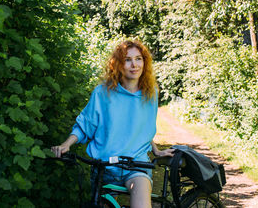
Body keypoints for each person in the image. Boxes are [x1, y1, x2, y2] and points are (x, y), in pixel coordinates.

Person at [51, 39, 174, 208]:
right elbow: (85, 125)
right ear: (118, 64)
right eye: (127, 60)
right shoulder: (103, 93)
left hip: (136, 166)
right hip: (104, 167)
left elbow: (140, 128)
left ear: (144, 62)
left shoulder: (150, 94)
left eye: (138, 59)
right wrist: (66, 144)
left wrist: (156, 150)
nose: (134, 65)